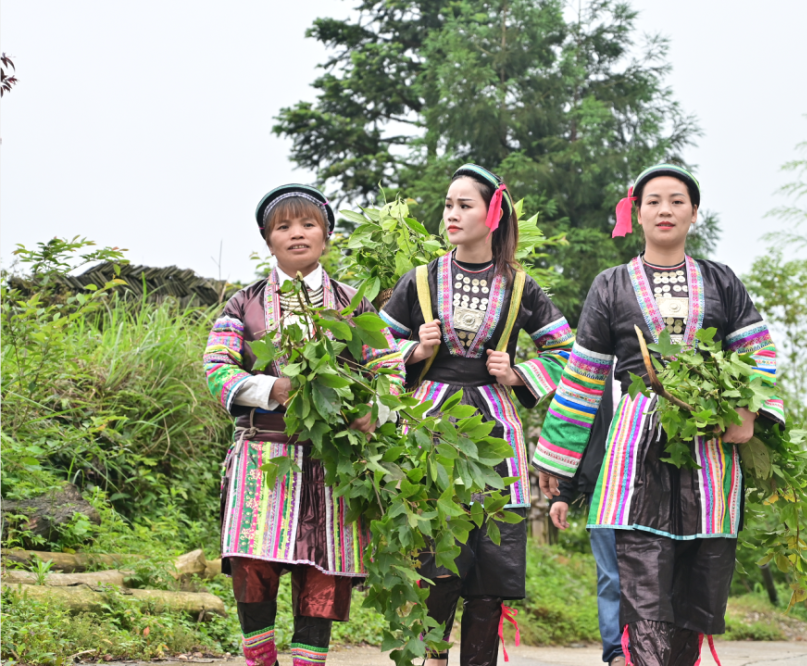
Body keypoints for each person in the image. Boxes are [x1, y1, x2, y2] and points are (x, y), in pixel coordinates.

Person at [531, 165, 784, 666]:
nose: (665, 210)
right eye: (653, 201)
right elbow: (582, 378)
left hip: (709, 448)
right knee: (642, 585)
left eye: (676, 200)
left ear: (694, 212)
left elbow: (758, 353)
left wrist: (748, 413)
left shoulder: (722, 281)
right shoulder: (610, 286)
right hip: (636, 446)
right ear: (636, 212)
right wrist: (556, 462)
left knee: (696, 586)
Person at [379, 164, 574, 666]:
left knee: (490, 569)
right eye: (448, 204)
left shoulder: (521, 287)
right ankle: (431, 657)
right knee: (435, 558)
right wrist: (412, 354)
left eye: (464, 205)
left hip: (496, 434)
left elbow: (569, 353)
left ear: (492, 214)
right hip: (431, 430)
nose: (451, 214)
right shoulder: (420, 280)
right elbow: (372, 349)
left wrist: (518, 374)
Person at [204, 184, 405, 666]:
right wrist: (270, 389)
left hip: (333, 461)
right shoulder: (242, 305)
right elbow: (216, 368)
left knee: (324, 570)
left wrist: (373, 410)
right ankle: (261, 658)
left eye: (308, 224)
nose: (297, 234)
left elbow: (389, 370)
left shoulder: (356, 305)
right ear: (267, 239)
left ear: (327, 236)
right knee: (253, 566)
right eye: (284, 227)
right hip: (262, 452)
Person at [548, 369, 625, 666]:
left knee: (652, 572)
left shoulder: (662, 357)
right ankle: (617, 652)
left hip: (652, 486)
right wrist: (563, 495)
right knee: (610, 576)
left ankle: (653, 647)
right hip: (603, 487)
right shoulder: (596, 370)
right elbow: (576, 431)